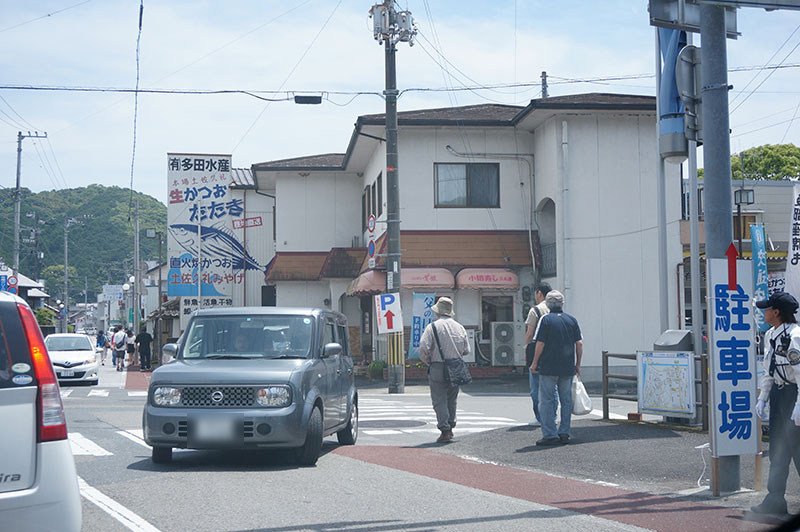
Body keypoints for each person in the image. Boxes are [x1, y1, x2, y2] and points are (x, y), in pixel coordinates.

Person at [751, 292, 800, 516]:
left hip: (795, 394)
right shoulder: (771, 335)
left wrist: (799, 405)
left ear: (777, 312)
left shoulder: (795, 336)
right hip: (779, 396)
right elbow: (769, 370)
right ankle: (775, 500)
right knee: (778, 450)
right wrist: (763, 398)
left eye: (767, 309)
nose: (764, 312)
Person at [530, 290, 583, 446]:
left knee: (546, 400)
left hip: (549, 366)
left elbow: (540, 343)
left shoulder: (545, 320)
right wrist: (577, 364)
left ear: (548, 304)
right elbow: (579, 343)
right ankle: (564, 432)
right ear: (562, 304)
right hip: (567, 367)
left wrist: (534, 363)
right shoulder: (571, 320)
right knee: (566, 400)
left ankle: (550, 434)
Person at [418, 297, 471, 444]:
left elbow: (423, 347)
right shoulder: (460, 327)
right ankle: (451, 427)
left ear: (438, 312)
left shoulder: (432, 327)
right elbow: (467, 350)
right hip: (456, 366)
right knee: (452, 400)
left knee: (439, 400)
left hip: (438, 366)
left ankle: (445, 430)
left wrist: (428, 361)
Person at [524, 282, 552, 427]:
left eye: (535, 293)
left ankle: (540, 417)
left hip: (537, 353)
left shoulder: (535, 310)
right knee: (552, 388)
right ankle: (552, 416)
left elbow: (530, 334)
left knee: (536, 388)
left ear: (539, 293)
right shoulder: (555, 309)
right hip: (553, 353)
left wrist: (526, 350)